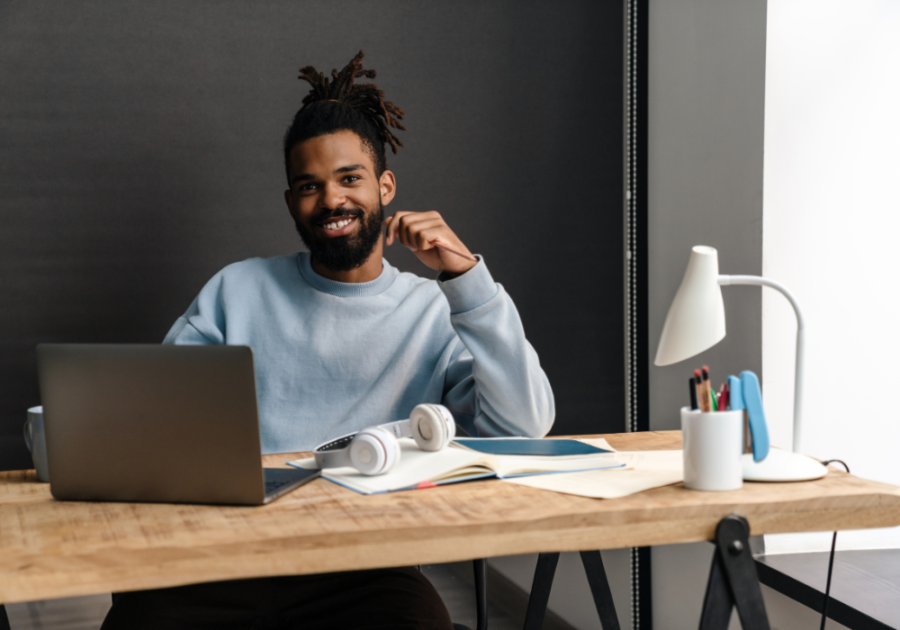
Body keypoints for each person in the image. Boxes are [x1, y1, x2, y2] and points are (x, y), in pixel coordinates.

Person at [101, 51, 554, 630]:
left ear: (384, 185)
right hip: (221, 558)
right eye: (309, 186)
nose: (332, 200)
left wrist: (467, 279)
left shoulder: (433, 310)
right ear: (292, 202)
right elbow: (151, 423)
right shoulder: (237, 290)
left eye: (349, 178)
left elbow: (524, 425)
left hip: (363, 571)